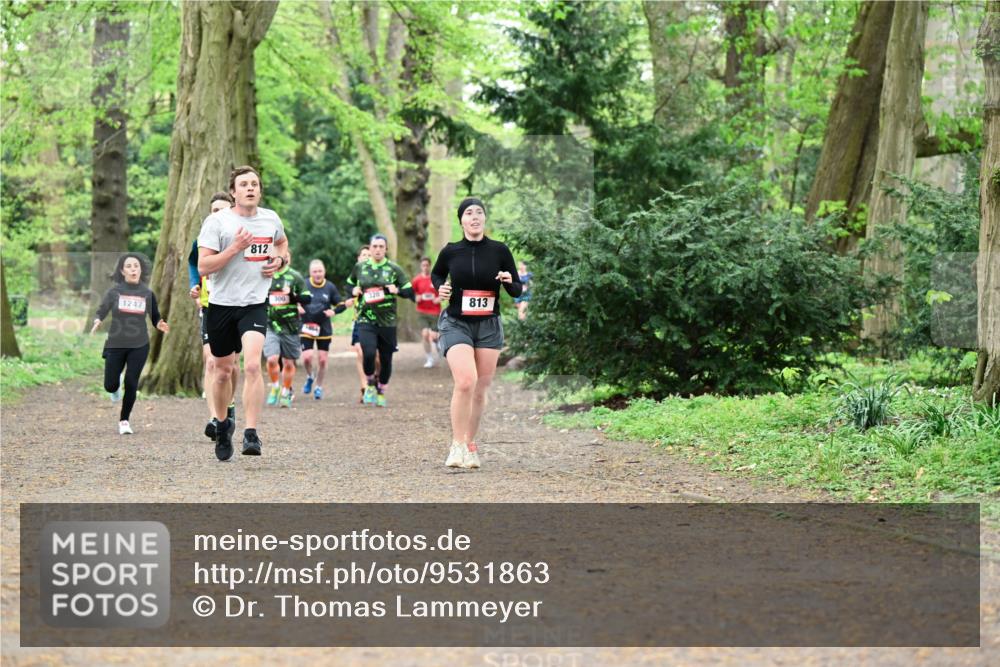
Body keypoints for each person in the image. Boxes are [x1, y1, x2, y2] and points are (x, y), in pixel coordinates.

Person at [197, 165, 289, 461]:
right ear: (233, 192)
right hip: (222, 305)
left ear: (259, 190)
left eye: (254, 184)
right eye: (244, 184)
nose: (250, 188)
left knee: (251, 366)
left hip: (254, 303)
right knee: (222, 372)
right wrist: (235, 248)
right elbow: (203, 267)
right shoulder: (217, 222)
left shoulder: (271, 219)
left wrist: (279, 261)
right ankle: (223, 425)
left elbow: (282, 244)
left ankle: (251, 433)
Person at [432, 197, 522, 469]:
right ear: (461, 220)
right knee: (465, 381)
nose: (474, 216)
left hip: (488, 326)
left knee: (480, 389)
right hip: (456, 322)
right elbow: (437, 275)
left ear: (484, 219)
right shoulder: (451, 251)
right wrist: (441, 288)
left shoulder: (499, 250)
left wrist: (509, 281)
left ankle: (470, 444)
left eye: (479, 212)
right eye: (469, 213)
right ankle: (456, 445)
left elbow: (517, 289)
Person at [91, 253, 170, 435]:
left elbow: (155, 316)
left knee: (132, 381)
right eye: (129, 266)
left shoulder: (147, 293)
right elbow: (102, 310)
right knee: (110, 386)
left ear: (140, 270)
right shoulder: (114, 292)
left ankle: (124, 420)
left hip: (139, 344)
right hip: (116, 343)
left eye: (136, 266)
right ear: (122, 271)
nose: (133, 269)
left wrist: (159, 323)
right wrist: (97, 320)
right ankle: (115, 385)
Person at [188, 193, 238, 438]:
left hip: (238, 306)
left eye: (223, 209)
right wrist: (195, 285)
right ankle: (216, 418)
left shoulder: (240, 237)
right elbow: (193, 263)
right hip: (211, 307)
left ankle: (229, 404)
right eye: (214, 210)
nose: (218, 214)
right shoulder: (203, 239)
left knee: (232, 366)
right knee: (211, 362)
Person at [347, 234, 414, 407]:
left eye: (381, 247)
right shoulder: (360, 267)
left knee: (386, 360)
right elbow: (349, 284)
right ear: (370, 249)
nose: (377, 250)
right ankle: (370, 382)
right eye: (374, 246)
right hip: (365, 319)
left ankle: (382, 389)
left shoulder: (394, 269)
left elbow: (409, 292)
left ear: (386, 249)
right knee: (368, 353)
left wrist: (397, 290)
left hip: (387, 322)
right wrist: (353, 290)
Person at [264, 253, 311, 408]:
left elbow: (307, 299)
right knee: (272, 359)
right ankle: (275, 386)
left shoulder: (295, 277)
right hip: (270, 325)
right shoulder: (266, 274)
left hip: (290, 327)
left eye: (284, 256)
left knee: (288, 362)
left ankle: (285, 391)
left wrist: (291, 295)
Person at [300, 259, 351, 400]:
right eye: (315, 271)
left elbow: (340, 304)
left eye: (320, 271)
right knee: (307, 357)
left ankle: (318, 386)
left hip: (324, 328)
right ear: (310, 273)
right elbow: (294, 299)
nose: (318, 274)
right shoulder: (304, 285)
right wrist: (297, 306)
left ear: (324, 272)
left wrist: (334, 311)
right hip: (307, 326)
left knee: (322, 360)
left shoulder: (330, 287)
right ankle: (310, 376)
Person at [350, 245, 372, 403]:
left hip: (378, 320)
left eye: (369, 255)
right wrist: (352, 292)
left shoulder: (379, 275)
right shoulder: (354, 277)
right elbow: (346, 292)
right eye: (364, 255)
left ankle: (374, 380)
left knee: (375, 356)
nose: (366, 257)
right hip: (359, 319)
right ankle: (365, 387)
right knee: (360, 352)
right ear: (358, 258)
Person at [412, 256, 442, 368]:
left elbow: (443, 292)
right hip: (422, 311)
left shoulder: (435, 279)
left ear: (430, 266)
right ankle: (429, 358)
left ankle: (438, 343)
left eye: (427, 265)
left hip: (435, 311)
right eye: (423, 265)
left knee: (434, 336)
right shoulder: (416, 280)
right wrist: (416, 297)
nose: (425, 267)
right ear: (421, 266)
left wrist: (439, 299)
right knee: (425, 334)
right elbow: (411, 293)